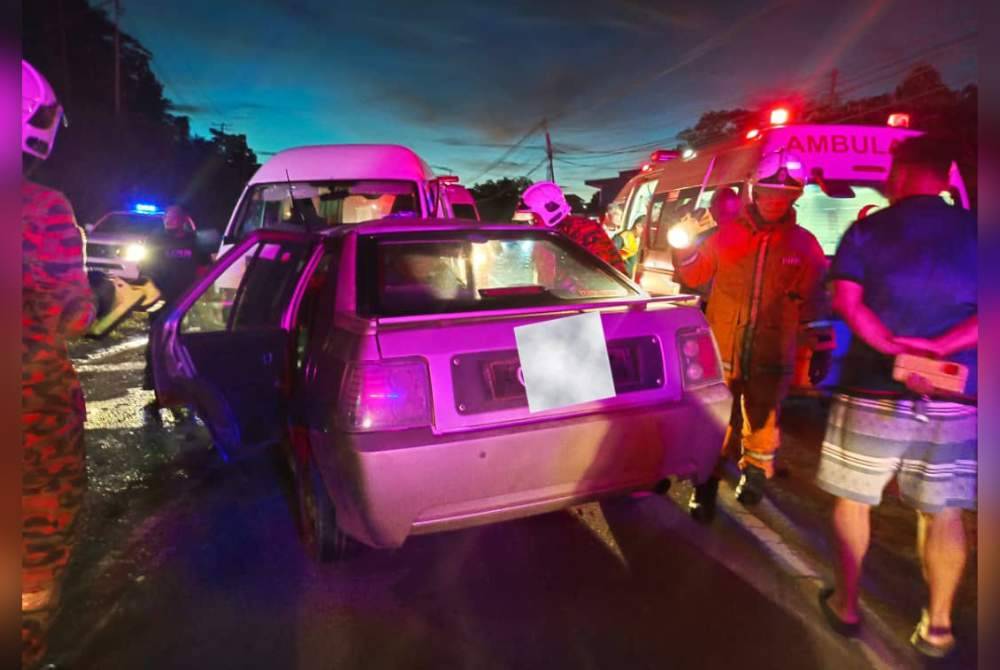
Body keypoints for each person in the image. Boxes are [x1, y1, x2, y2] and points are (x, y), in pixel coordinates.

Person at [814, 136, 976, 659]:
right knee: (943, 511)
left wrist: (891, 347)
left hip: (871, 390)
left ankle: (847, 606)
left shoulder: (868, 229)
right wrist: (940, 347)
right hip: (955, 395)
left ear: (902, 173)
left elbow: (846, 301)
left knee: (856, 499)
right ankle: (939, 626)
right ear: (946, 176)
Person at [673, 156, 829, 521]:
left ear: (795, 198)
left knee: (763, 417)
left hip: (771, 351)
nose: (775, 201)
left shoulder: (805, 245)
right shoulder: (725, 235)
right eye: (768, 193)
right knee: (716, 420)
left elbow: (817, 298)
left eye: (784, 195)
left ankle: (756, 474)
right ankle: (705, 484)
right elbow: (696, 275)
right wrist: (684, 247)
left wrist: (822, 346)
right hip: (723, 348)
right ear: (754, 192)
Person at [21, 60, 96, 669]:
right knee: (32, 563)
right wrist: (109, 301)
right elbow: (73, 315)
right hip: (30, 418)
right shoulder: (43, 208)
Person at [141, 205, 201, 423]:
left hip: (185, 304)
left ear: (183, 219)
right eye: (166, 216)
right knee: (157, 349)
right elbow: (146, 269)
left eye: (173, 216)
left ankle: (183, 393)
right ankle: (158, 392)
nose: (168, 220)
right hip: (161, 303)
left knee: (182, 348)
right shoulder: (155, 240)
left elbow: (205, 267)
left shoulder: (193, 242)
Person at [521, 181, 627, 274]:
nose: (532, 222)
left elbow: (598, 274)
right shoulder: (551, 235)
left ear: (549, 211)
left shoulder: (583, 230)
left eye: (534, 217)